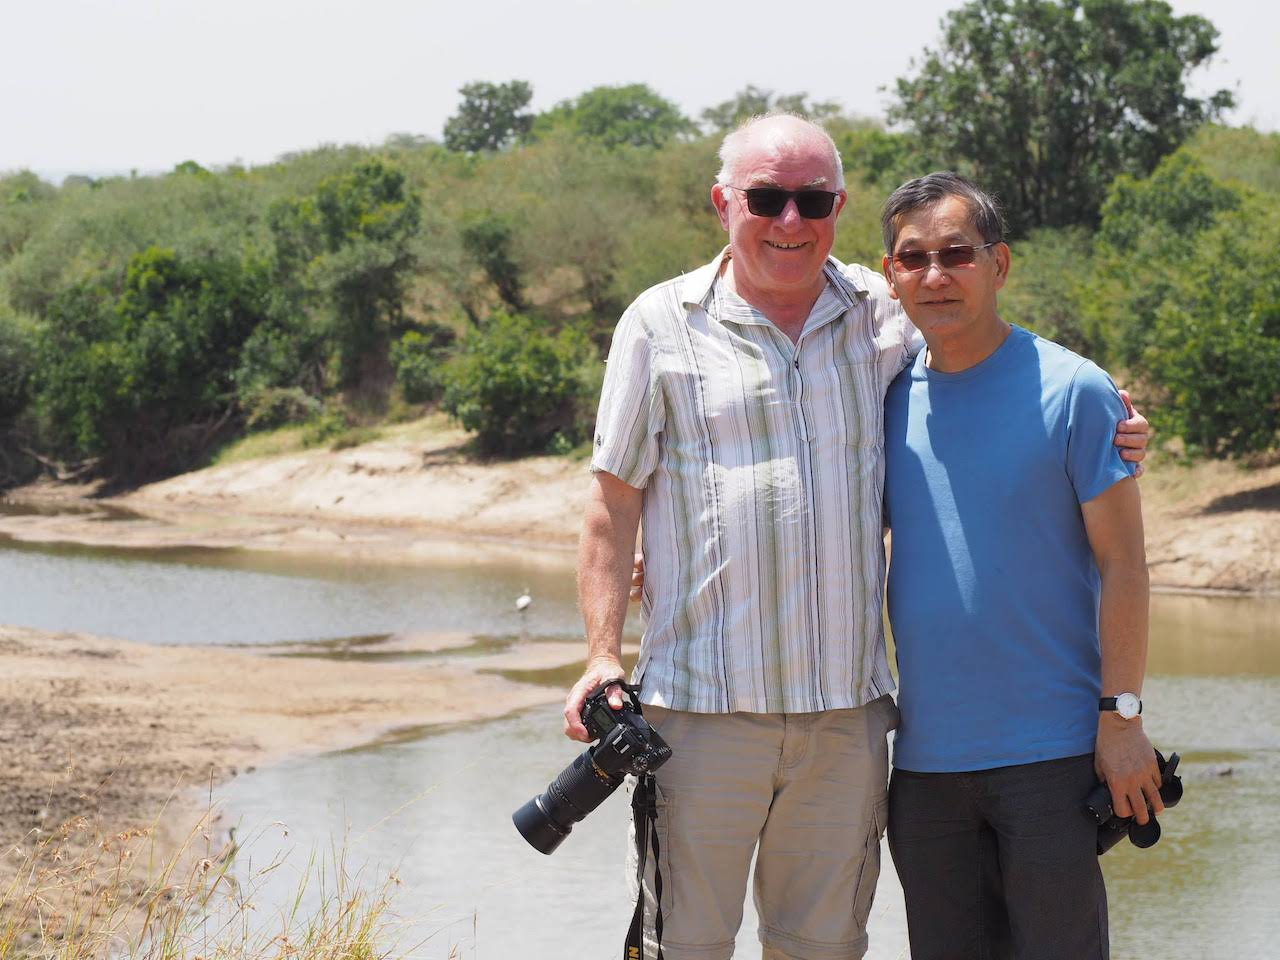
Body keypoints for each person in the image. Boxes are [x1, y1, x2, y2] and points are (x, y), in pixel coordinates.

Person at [564, 116, 1148, 960]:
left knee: (823, 947)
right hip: (699, 715)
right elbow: (611, 506)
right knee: (680, 945)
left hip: (848, 721)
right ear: (724, 202)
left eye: (813, 200)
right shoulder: (659, 325)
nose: (790, 221)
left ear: (838, 207)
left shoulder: (883, 318)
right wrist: (599, 654)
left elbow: (1008, 372)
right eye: (767, 199)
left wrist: (1115, 421)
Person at [879, 172, 1162, 960]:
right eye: (915, 257)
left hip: (1055, 759)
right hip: (925, 768)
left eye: (957, 254)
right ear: (892, 274)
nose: (936, 275)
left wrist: (1123, 720)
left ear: (999, 265)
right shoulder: (882, 398)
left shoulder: (1077, 392)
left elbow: (1127, 569)